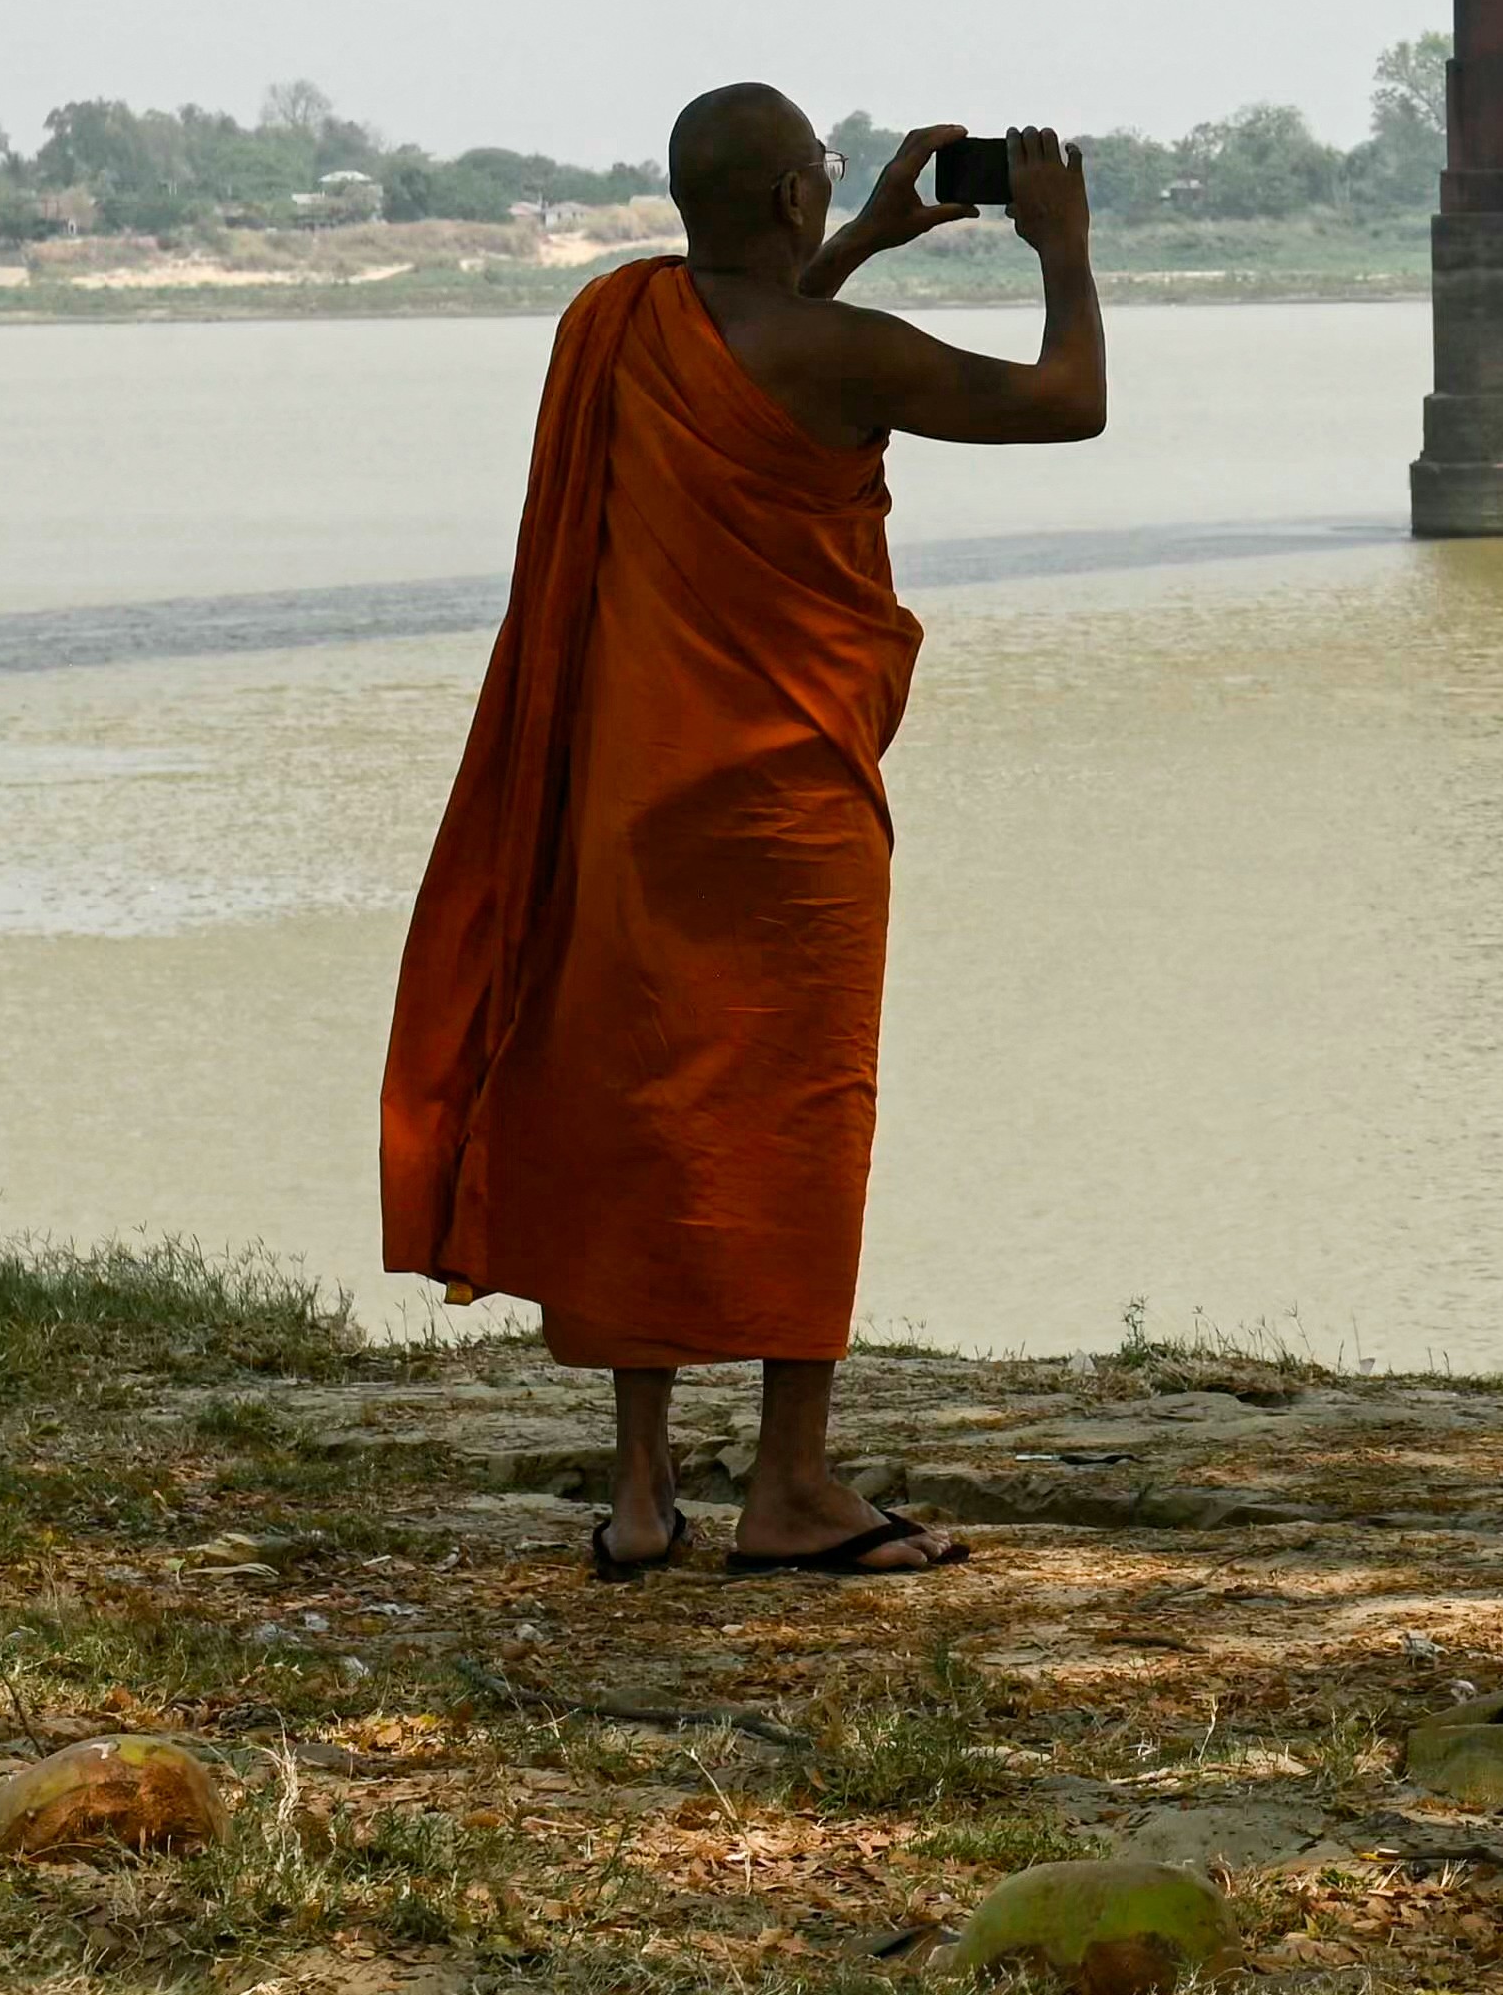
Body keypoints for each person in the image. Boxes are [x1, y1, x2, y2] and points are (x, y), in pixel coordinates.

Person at [378, 86, 1102, 1578]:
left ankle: (641, 1498)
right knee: (794, 1124)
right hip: (785, 822)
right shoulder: (844, 356)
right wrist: (1062, 248)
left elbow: (743, 348)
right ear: (786, 201)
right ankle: (790, 1484)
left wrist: (857, 242)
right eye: (820, 188)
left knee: (636, 1111)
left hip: (632, 802)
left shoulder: (617, 326)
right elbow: (1067, 400)